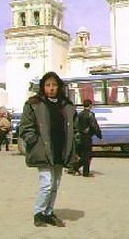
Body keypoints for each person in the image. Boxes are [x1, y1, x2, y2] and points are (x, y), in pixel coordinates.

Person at [19, 71, 77, 227]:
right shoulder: (34, 104)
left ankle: (48, 213)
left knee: (55, 184)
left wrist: (73, 146)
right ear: (43, 87)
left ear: (59, 87)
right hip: (43, 149)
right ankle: (38, 213)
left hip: (61, 149)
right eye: (47, 85)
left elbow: (75, 127)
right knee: (46, 183)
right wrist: (34, 141)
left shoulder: (67, 105)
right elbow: (25, 127)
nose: (51, 88)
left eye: (54, 85)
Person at [69, 99, 102, 177]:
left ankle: (77, 168)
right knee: (87, 155)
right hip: (87, 137)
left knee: (84, 154)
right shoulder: (91, 114)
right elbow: (94, 125)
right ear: (90, 105)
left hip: (81, 136)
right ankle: (83, 171)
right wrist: (99, 134)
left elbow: (77, 125)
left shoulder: (80, 114)